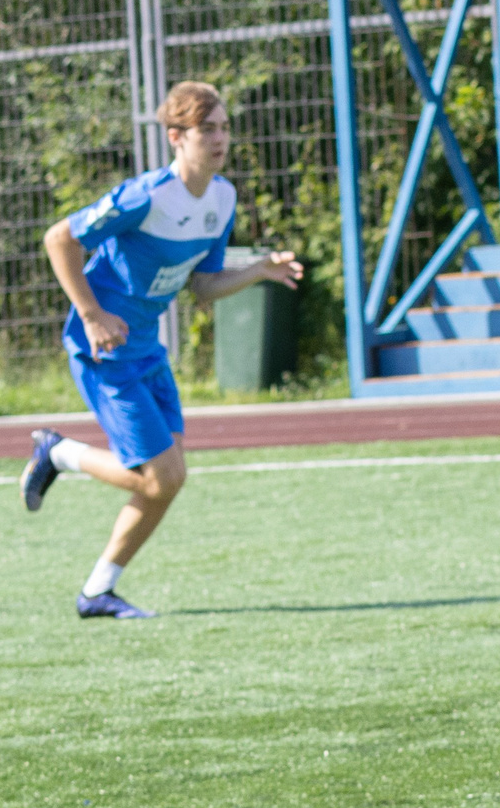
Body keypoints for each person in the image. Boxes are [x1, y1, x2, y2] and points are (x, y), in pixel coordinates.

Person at [18, 82, 301, 619]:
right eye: (207, 129)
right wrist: (93, 314)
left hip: (146, 350)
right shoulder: (145, 196)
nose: (220, 139)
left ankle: (98, 591)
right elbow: (61, 239)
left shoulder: (222, 198)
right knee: (162, 476)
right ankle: (57, 453)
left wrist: (258, 271)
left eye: (224, 127)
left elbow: (204, 285)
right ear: (177, 137)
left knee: (167, 482)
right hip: (103, 352)